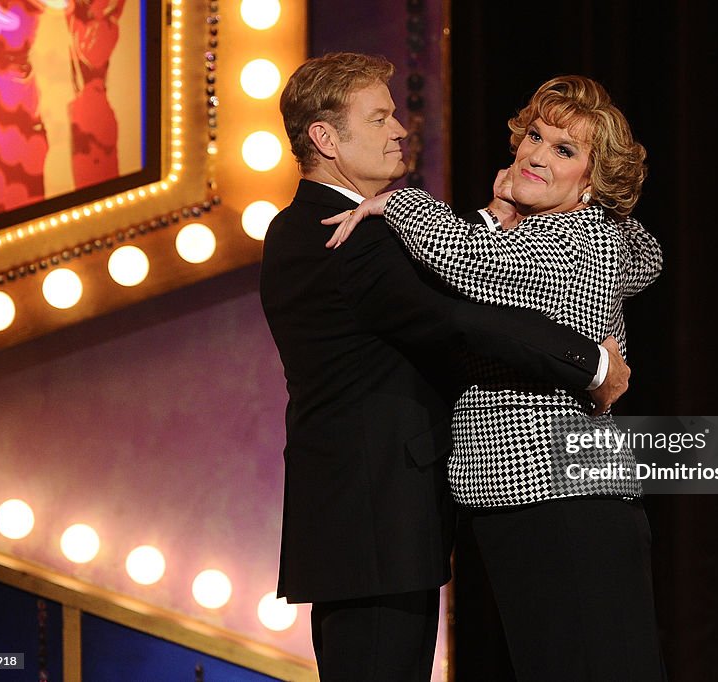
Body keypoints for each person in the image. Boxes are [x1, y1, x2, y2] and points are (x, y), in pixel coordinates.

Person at [259, 53, 632, 682]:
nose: (400, 130)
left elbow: (437, 284)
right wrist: (590, 361)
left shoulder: (306, 228)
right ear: (325, 138)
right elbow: (460, 314)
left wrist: (491, 219)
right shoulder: (343, 234)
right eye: (379, 118)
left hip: (364, 524)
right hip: (375, 528)